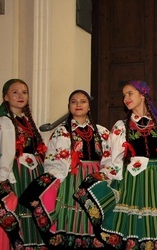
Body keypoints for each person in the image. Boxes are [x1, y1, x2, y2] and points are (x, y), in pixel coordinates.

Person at [74, 80, 157, 249]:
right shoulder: (121, 126)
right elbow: (112, 157)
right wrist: (107, 177)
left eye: (130, 93)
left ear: (143, 94)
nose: (126, 98)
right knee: (135, 223)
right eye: (123, 95)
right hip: (134, 180)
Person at [19, 90, 110, 248]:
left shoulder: (102, 132)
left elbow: (109, 157)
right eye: (74, 102)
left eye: (83, 101)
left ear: (89, 107)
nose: (78, 105)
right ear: (69, 107)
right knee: (71, 217)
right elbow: (52, 159)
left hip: (94, 180)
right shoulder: (61, 132)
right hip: (71, 178)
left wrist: (106, 175)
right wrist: (58, 178)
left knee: (93, 217)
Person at [0, 79, 48, 249]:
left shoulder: (26, 120)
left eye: (24, 92)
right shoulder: (4, 122)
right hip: (17, 174)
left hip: (33, 173)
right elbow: (4, 153)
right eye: (15, 92)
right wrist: (3, 180)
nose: (20, 96)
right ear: (6, 97)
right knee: (19, 213)